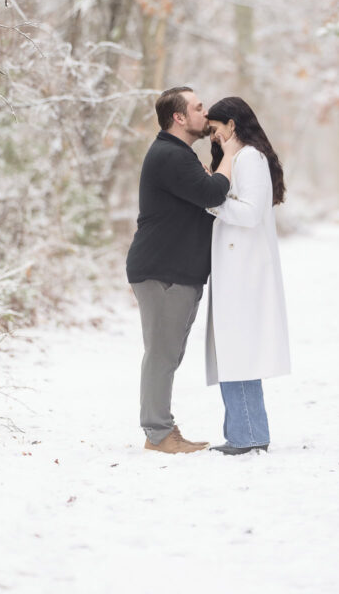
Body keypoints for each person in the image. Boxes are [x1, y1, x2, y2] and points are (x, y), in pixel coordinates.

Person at [126, 86, 240, 454]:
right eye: (197, 107)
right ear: (178, 117)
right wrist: (232, 154)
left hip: (177, 270)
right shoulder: (169, 155)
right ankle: (158, 434)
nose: (205, 114)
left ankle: (160, 429)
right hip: (164, 270)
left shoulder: (178, 155)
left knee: (168, 353)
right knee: (162, 353)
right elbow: (212, 194)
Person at [205, 97, 290, 455]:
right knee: (232, 347)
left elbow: (251, 213)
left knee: (238, 347)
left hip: (246, 270)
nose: (211, 135)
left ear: (232, 126)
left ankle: (249, 433)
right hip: (235, 268)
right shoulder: (238, 159)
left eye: (215, 128)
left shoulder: (251, 159)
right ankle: (244, 431)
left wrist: (209, 200)